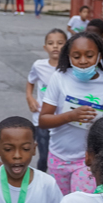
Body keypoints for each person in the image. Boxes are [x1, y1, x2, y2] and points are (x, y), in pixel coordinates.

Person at [39, 31, 103, 195]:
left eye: (89, 55)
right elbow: (43, 120)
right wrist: (70, 116)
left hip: (89, 159)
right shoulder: (59, 77)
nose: (83, 61)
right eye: (76, 56)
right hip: (58, 156)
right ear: (68, 57)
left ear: (99, 56)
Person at [27, 29, 67, 172]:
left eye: (60, 43)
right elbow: (30, 81)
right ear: (45, 47)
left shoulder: (70, 69)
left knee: (59, 157)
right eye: (51, 43)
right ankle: (41, 182)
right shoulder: (39, 66)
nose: (55, 46)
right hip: (41, 119)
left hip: (63, 120)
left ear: (67, 46)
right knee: (44, 157)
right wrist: (29, 97)